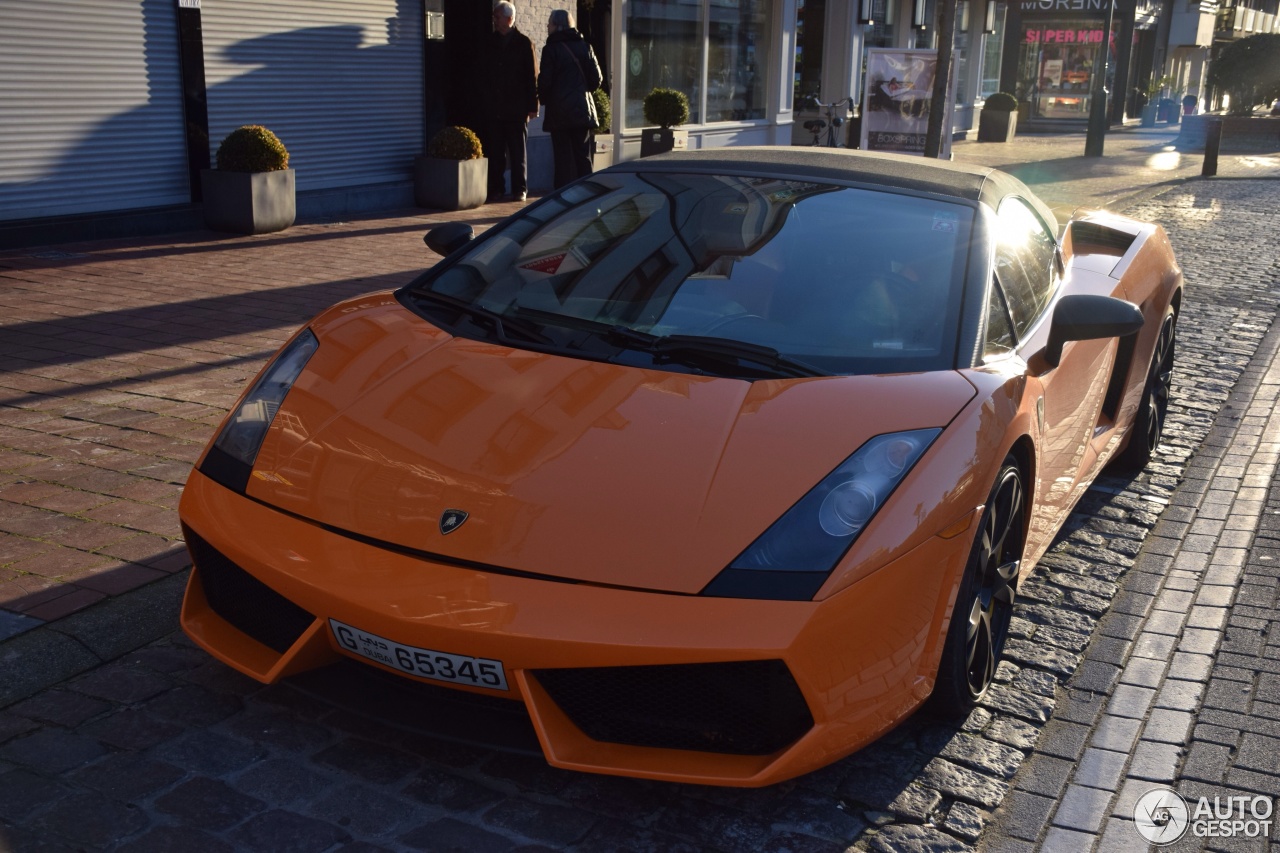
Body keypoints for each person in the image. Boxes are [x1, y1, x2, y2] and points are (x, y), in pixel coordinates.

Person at [479, 1, 538, 203]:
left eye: (497, 17)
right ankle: (496, 188)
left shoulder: (523, 43)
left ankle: (519, 189)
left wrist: (532, 106)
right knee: (495, 151)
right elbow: (483, 74)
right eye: (494, 17)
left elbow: (532, 77)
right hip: (495, 106)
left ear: (509, 19)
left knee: (517, 151)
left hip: (516, 107)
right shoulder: (489, 42)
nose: (495, 21)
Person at [538, 9, 602, 189]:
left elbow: (545, 82)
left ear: (557, 26)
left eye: (549, 23)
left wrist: (544, 99)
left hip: (559, 113)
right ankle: (587, 193)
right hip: (581, 111)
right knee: (583, 157)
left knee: (562, 159)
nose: (547, 26)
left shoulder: (550, 50)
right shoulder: (585, 47)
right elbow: (597, 80)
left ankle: (561, 198)